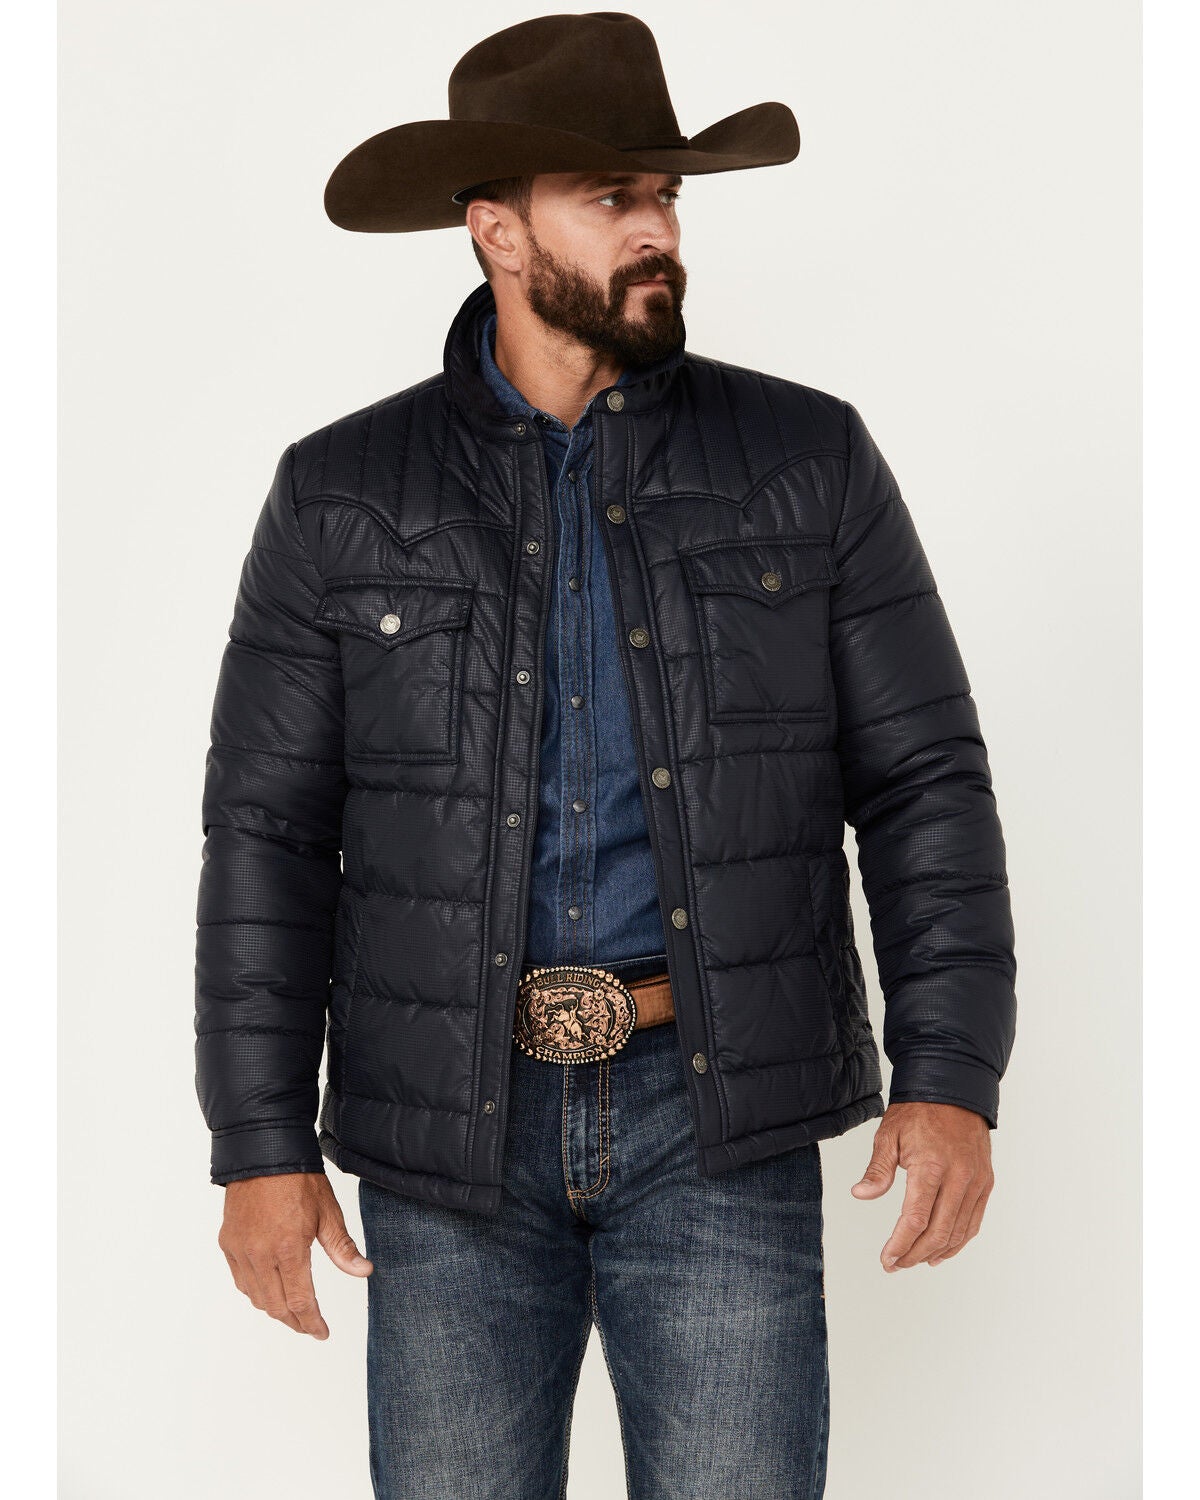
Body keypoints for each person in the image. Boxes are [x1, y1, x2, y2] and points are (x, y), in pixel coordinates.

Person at [194, 13, 1017, 1499]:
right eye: (612, 197)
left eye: (668, 196)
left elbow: (924, 787)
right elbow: (268, 833)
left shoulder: (808, 461)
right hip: (450, 1139)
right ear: (497, 230)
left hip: (715, 1118)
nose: (659, 232)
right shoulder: (339, 494)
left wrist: (951, 1068)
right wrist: (259, 1141)